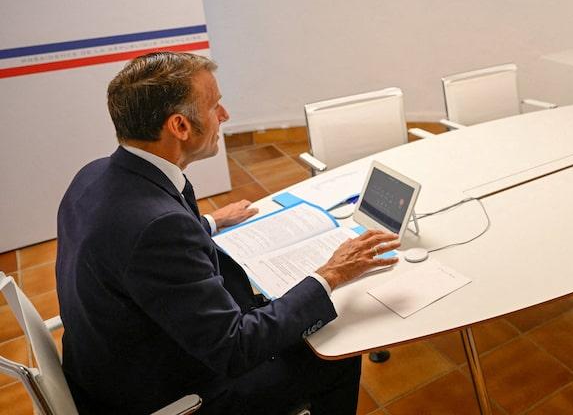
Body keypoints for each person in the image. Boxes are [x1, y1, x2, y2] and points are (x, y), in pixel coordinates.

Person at [56, 51, 400, 415]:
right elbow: (235, 349)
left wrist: (208, 223)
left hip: (108, 364)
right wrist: (330, 274)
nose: (225, 115)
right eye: (214, 106)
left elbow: (131, 248)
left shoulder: (94, 174)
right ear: (180, 126)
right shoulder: (158, 227)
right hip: (165, 394)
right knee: (336, 356)